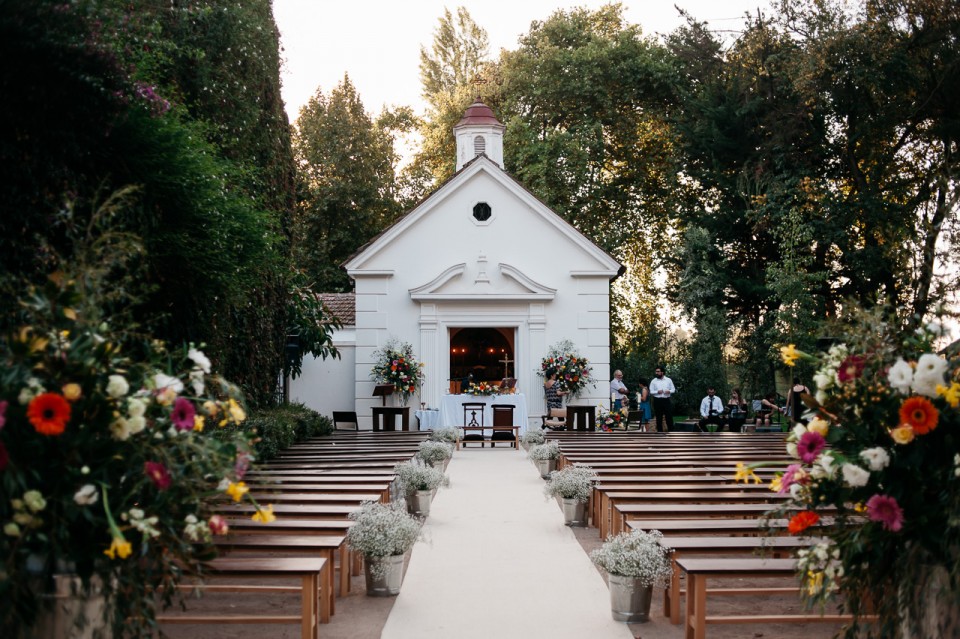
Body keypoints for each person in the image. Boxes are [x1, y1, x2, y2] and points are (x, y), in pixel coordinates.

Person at [648, 366, 675, 432]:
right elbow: (651, 391)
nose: (656, 373)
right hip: (657, 400)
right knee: (658, 417)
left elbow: (673, 389)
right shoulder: (653, 381)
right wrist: (657, 392)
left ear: (662, 372)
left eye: (658, 371)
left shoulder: (668, 380)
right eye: (656, 371)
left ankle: (671, 432)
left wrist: (669, 391)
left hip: (666, 400)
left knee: (669, 416)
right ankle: (660, 433)